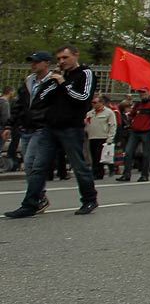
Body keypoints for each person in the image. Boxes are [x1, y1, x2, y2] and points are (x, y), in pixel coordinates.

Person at [5, 46, 99, 218]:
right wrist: (53, 83)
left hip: (71, 127)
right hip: (50, 127)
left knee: (78, 165)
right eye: (59, 58)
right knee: (38, 166)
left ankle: (89, 199)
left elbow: (83, 98)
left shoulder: (85, 74)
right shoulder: (57, 76)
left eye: (65, 57)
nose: (62, 61)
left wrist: (63, 84)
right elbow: (41, 97)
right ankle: (30, 204)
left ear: (75, 55)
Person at [119, 90, 150, 182]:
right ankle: (126, 174)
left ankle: (144, 175)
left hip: (147, 132)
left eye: (144, 93)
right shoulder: (137, 105)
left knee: (146, 154)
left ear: (149, 94)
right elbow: (132, 115)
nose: (142, 95)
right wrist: (130, 122)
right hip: (135, 131)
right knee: (128, 153)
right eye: (141, 93)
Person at [83, 94, 117, 179]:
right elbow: (87, 124)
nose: (93, 104)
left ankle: (99, 173)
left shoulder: (109, 112)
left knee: (99, 156)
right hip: (92, 137)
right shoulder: (90, 113)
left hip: (103, 137)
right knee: (94, 156)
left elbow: (112, 125)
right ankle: (95, 172)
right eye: (92, 103)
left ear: (101, 103)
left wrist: (110, 137)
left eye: (95, 102)